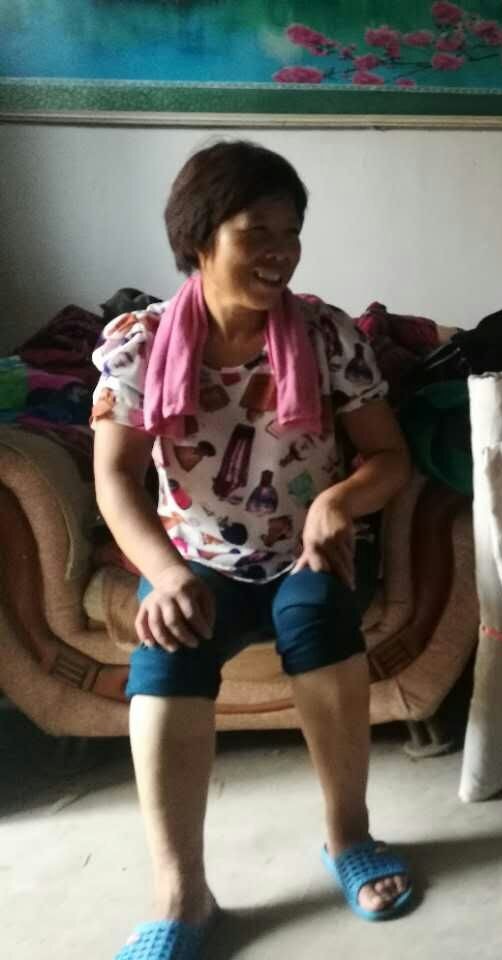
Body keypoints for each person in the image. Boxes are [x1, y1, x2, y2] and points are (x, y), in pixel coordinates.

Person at [91, 141, 416, 959]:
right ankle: (182, 894)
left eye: (291, 231)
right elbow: (116, 479)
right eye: (256, 232)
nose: (280, 251)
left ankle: (349, 838)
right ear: (200, 238)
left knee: (317, 618)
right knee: (168, 647)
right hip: (195, 559)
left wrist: (338, 502)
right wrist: (165, 574)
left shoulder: (326, 334)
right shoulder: (139, 342)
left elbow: (390, 458)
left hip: (304, 553)